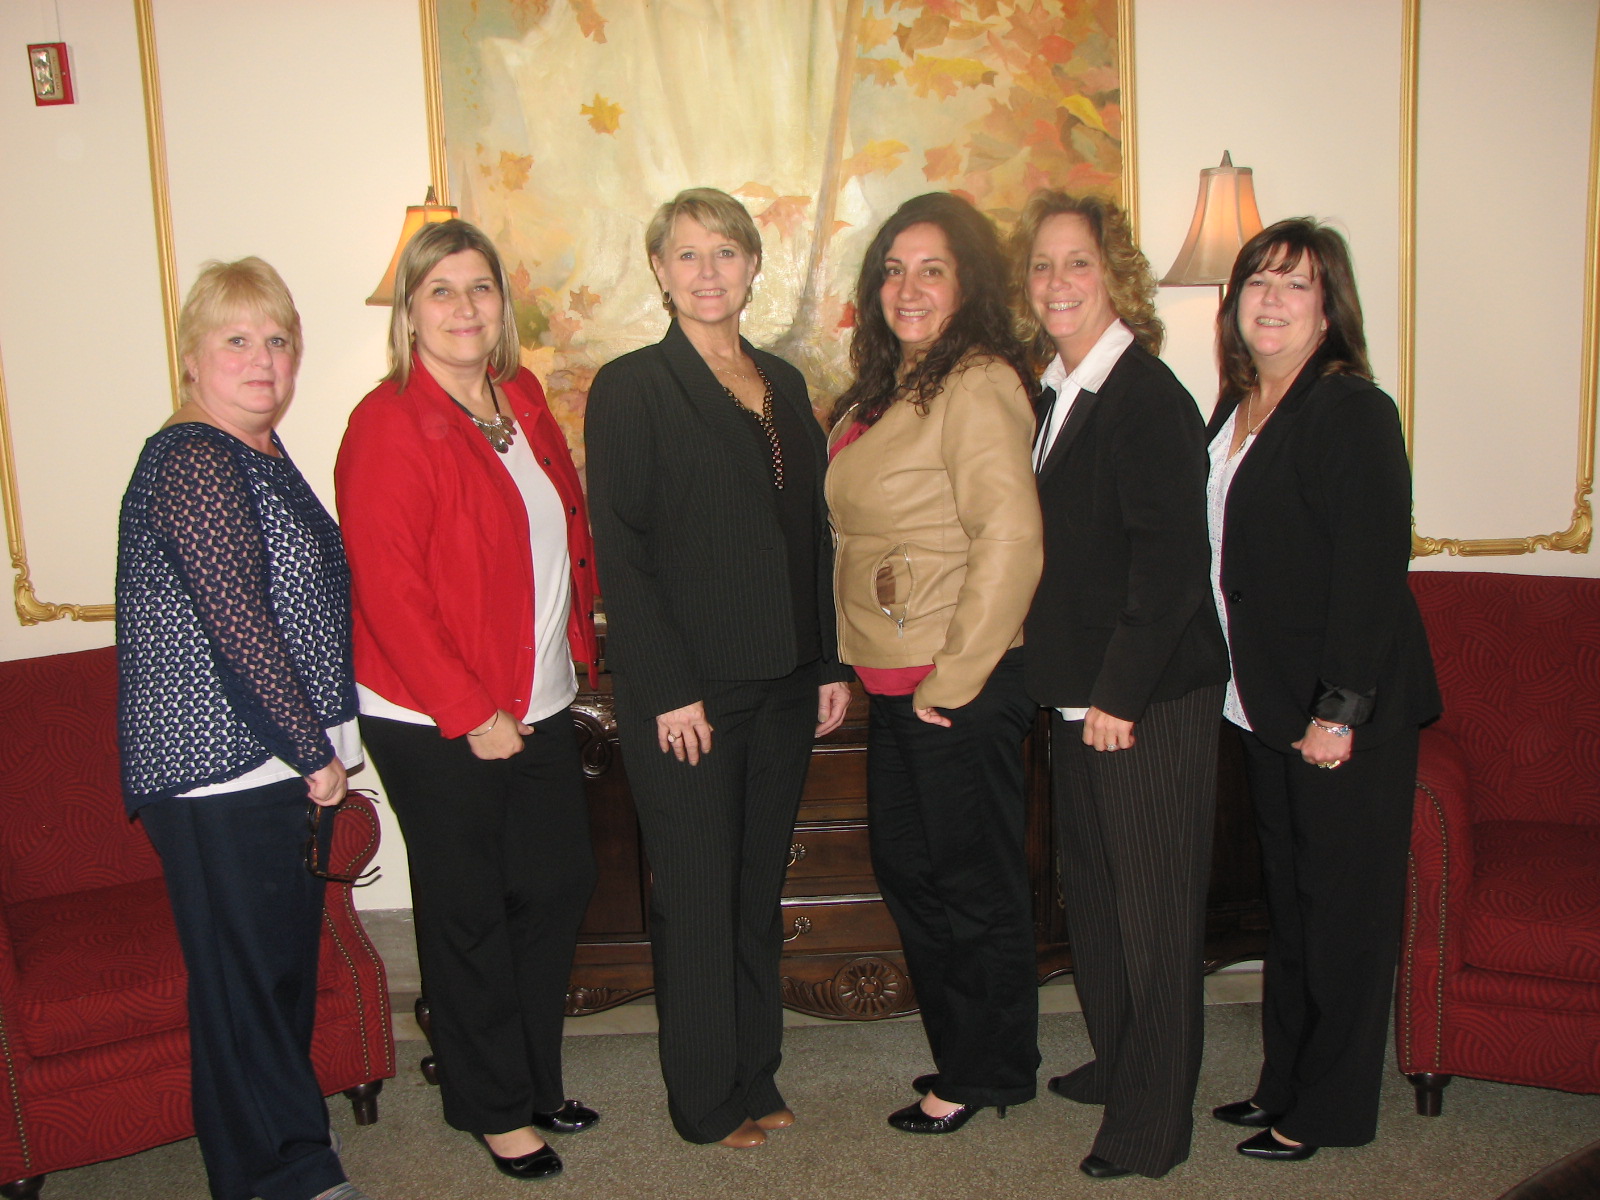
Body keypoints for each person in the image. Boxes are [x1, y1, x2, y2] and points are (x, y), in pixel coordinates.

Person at [585, 188, 853, 1149]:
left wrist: (825, 659)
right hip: (689, 697)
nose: (707, 271)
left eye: (726, 253)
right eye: (687, 254)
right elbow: (625, 548)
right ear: (658, 270)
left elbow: (809, 532)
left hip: (783, 684)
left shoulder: (781, 380)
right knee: (697, 899)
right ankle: (704, 1104)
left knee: (751, 893)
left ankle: (754, 1074)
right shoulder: (631, 387)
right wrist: (663, 690)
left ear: (752, 267)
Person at [334, 219, 601, 1182]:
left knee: (558, 881)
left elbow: (564, 529)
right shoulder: (387, 423)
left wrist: (574, 657)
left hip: (537, 696)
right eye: (439, 290)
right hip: (433, 715)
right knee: (470, 908)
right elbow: (389, 590)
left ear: (502, 304)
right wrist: (469, 711)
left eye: (479, 287)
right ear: (409, 312)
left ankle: (528, 1076)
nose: (463, 307)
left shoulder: (520, 397)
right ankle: (491, 1105)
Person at [116, 258, 373, 1200]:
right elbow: (239, 619)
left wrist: (324, 743)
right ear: (192, 359)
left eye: (277, 340)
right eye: (237, 340)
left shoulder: (256, 448)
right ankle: (284, 1174)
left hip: (267, 758)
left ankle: (267, 1165)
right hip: (220, 764)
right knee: (249, 987)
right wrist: (314, 751)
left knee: (266, 981)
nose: (262, 359)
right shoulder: (190, 454)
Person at [1204, 218, 1439, 1161]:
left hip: (1343, 715)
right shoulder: (1238, 407)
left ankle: (1332, 1110)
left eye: (1296, 284)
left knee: (1344, 915)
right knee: (1293, 908)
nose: (1271, 298)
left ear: (1329, 307)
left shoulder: (1351, 410)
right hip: (1266, 704)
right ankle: (1283, 1083)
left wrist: (1338, 711)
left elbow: (1372, 573)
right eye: (1258, 280)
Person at [1013, 190, 1231, 1179]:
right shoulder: (1054, 389)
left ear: (1117, 279)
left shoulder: (1146, 397)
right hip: (1076, 696)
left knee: (1150, 920)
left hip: (1140, 704)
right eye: (1044, 265)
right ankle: (1119, 1061)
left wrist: (1119, 696)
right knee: (1093, 904)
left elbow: (1171, 568)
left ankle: (1151, 1125)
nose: (1058, 282)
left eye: (1079, 264)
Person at [826, 192, 1043, 1135]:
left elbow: (1012, 536)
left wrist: (955, 680)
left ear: (969, 283)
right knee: (917, 874)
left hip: (954, 681)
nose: (908, 288)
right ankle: (974, 1052)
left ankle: (985, 1071)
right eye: (894, 269)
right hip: (892, 673)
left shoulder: (978, 379)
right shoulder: (894, 384)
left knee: (971, 883)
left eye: (932, 269)